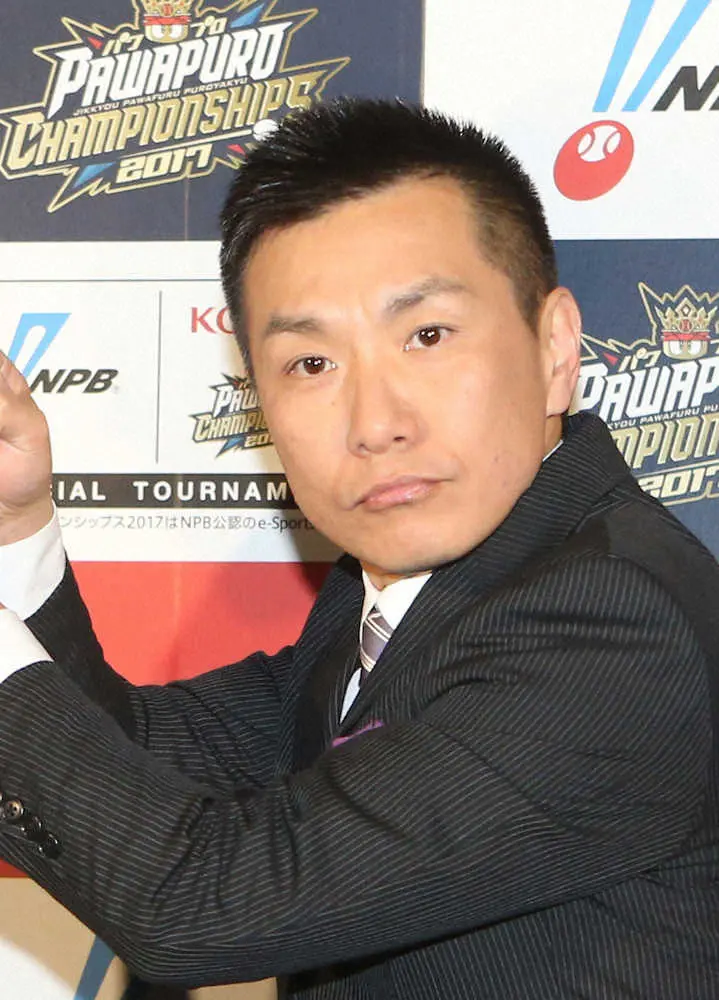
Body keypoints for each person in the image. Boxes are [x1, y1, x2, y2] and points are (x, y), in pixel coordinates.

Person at [0, 99, 716, 1000]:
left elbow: (201, 907)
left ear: (554, 347)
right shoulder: (395, 595)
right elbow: (135, 757)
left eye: (426, 336)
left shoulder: (609, 622)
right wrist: (14, 525)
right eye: (312, 364)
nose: (375, 423)